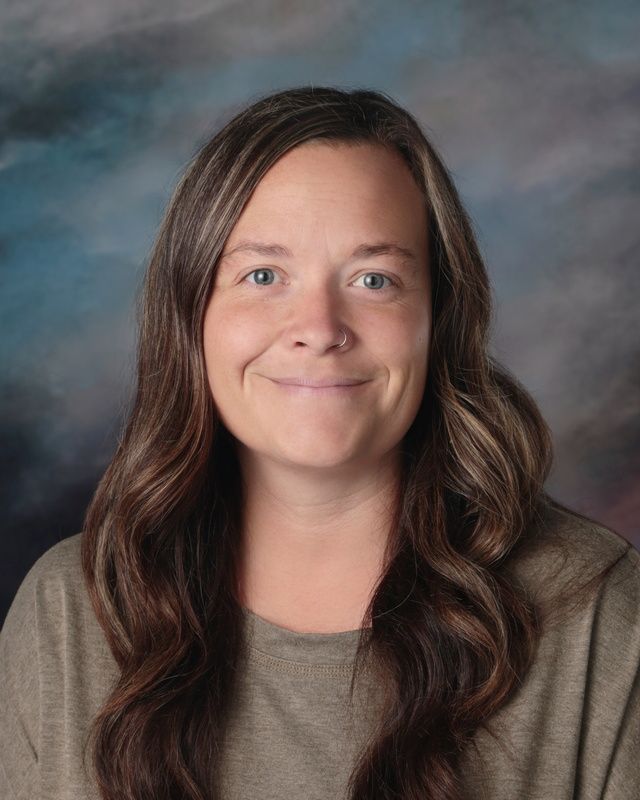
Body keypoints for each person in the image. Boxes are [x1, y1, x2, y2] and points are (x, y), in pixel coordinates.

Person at [1, 85, 638, 800]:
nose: (319, 326)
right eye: (263, 275)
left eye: (375, 278)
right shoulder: (70, 612)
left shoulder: (598, 612)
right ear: (191, 315)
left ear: (441, 318)